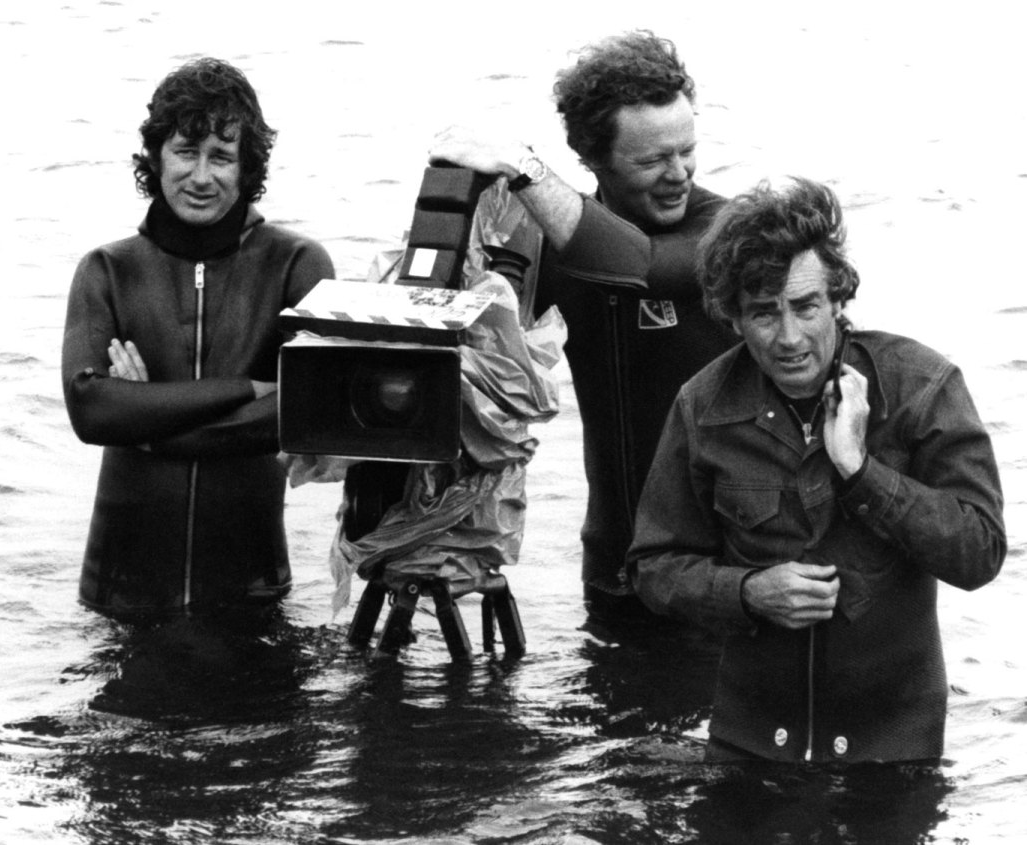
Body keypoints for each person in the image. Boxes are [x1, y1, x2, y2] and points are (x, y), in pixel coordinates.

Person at [628, 177, 1005, 763]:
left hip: (891, 751)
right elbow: (653, 567)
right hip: (751, 744)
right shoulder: (702, 406)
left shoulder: (922, 387)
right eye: (763, 313)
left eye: (805, 307)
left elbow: (979, 553)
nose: (789, 337)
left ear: (837, 300)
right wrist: (748, 593)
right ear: (733, 319)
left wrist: (861, 472)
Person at [429, 31, 737, 624]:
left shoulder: (725, 230)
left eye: (687, 151)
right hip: (613, 559)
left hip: (720, 566)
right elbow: (477, 362)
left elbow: (641, 266)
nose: (679, 173)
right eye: (652, 160)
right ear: (593, 157)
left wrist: (521, 165)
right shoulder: (554, 245)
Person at [61, 58, 335, 619]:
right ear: (156, 157)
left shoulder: (296, 266)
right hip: (120, 593)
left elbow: (309, 412)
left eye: (222, 157)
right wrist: (247, 389)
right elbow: (92, 412)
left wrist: (147, 420)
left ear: (247, 165)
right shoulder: (107, 270)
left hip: (251, 589)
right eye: (186, 152)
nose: (202, 176)